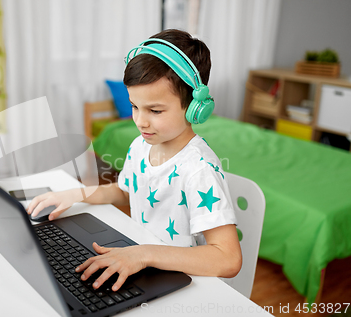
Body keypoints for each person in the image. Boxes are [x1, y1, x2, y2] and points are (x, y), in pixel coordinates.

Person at [27, 29, 241, 293]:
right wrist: (76, 194)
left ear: (196, 108)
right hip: (145, 264)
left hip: (183, 281)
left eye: (155, 110)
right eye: (134, 106)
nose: (140, 121)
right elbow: (126, 191)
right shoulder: (140, 145)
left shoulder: (198, 169)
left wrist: (142, 255)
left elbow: (228, 259)